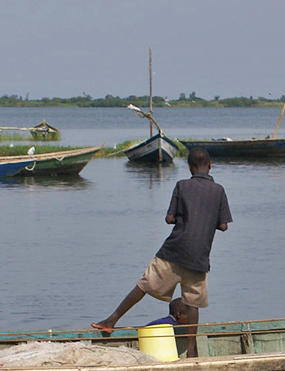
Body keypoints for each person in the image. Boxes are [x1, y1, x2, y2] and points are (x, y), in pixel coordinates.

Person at [93, 147, 230, 358]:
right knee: (193, 302)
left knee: (145, 284)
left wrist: (183, 219)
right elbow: (223, 225)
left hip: (174, 250)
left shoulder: (182, 186)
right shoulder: (219, 191)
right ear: (210, 165)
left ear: (190, 167)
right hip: (199, 256)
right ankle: (191, 352)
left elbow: (169, 218)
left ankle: (111, 320)